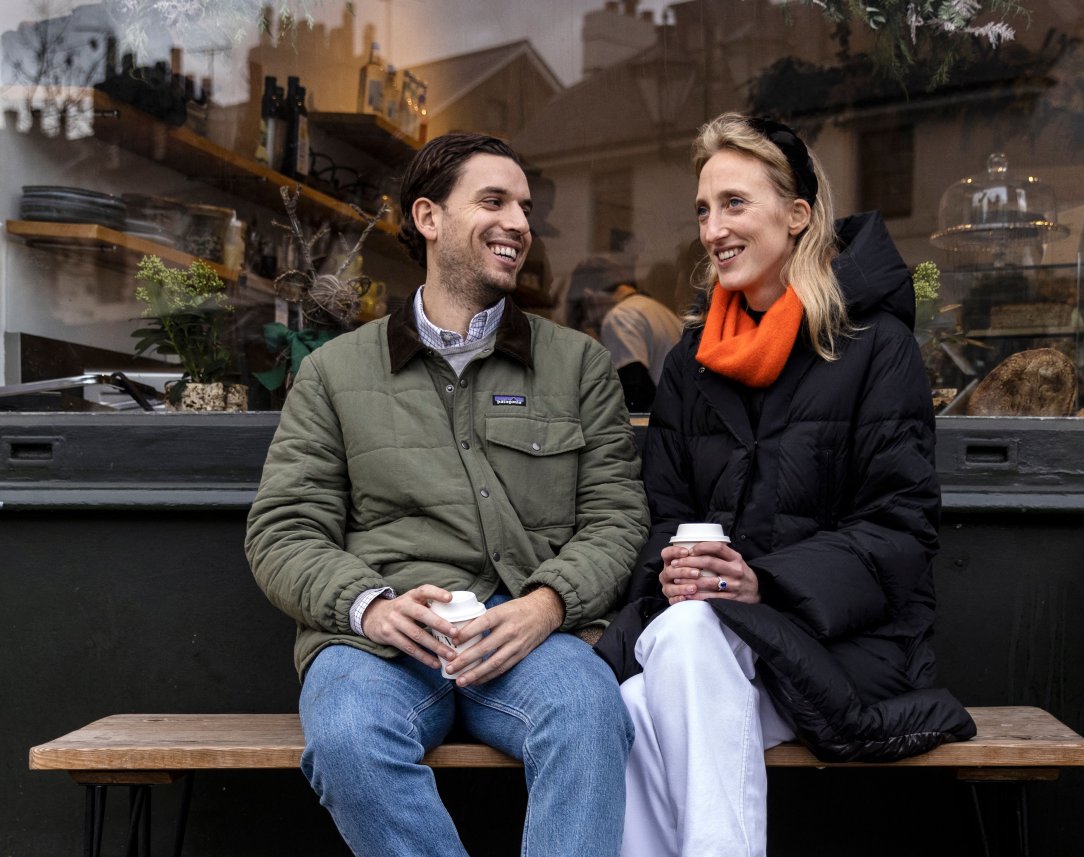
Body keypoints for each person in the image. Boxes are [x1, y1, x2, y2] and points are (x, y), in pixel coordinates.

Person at [246, 131, 650, 857]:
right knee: (347, 736)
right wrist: (369, 606)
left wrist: (547, 604)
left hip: (530, 634)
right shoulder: (337, 373)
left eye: (524, 208)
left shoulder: (579, 365)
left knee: (590, 714)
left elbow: (617, 518)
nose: (518, 223)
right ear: (428, 217)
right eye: (493, 201)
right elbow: (283, 530)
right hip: (383, 644)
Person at [595, 113, 977, 857]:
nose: (713, 230)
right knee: (637, 701)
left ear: (798, 214)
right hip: (711, 650)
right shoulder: (692, 363)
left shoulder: (876, 347)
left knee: (667, 668)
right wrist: (677, 569)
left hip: (843, 646)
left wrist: (760, 582)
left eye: (734, 203)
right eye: (703, 210)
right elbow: (664, 513)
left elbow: (898, 530)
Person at [572, 256, 683, 411]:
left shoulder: (619, 318)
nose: (594, 326)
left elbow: (633, 396)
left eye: (588, 319)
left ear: (589, 299)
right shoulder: (657, 310)